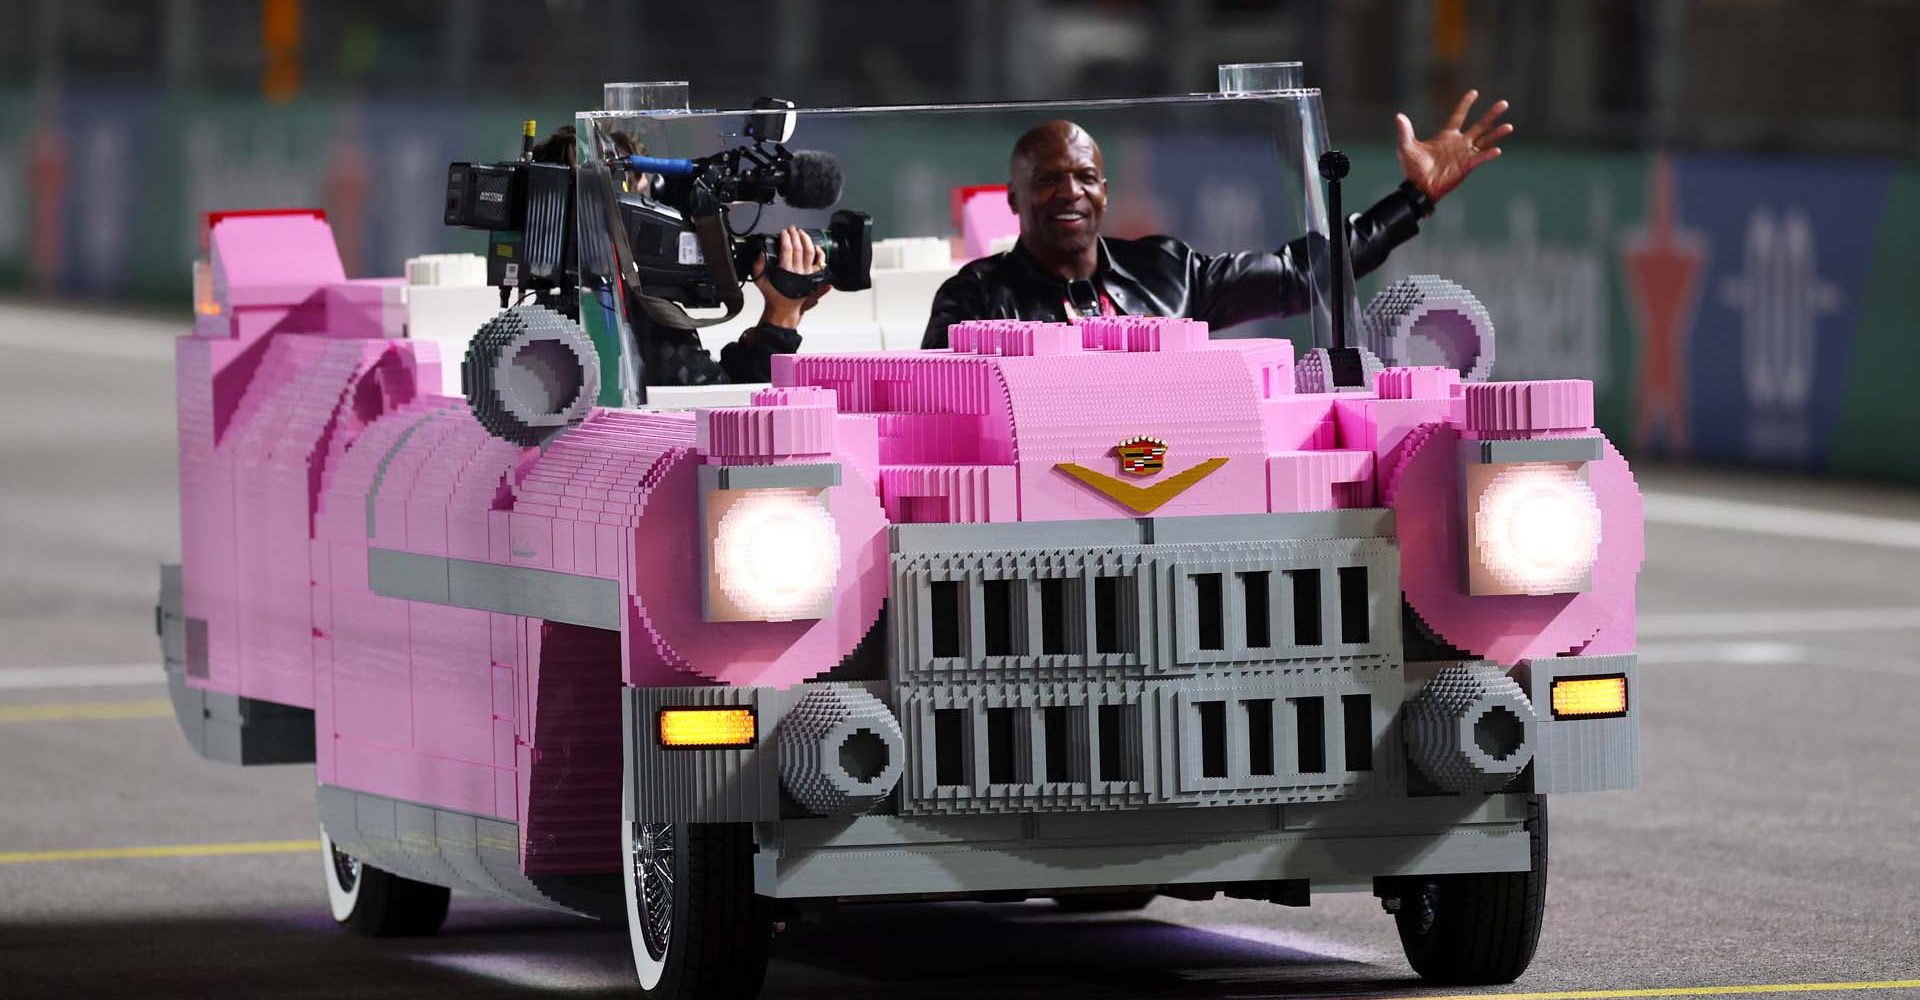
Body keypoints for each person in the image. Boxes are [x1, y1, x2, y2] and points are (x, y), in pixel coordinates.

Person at [922, 91, 1513, 348]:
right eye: (1047, 179)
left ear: (1104, 192)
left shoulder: (1167, 273)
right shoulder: (975, 298)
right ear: (1014, 198)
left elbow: (1299, 273)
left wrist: (1413, 198)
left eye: (1083, 177)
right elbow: (939, 423)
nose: (1068, 192)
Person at [529, 126, 829, 385]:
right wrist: (781, 320)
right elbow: (724, 413)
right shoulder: (630, 304)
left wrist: (777, 320)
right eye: (648, 199)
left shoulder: (553, 300)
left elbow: (702, 388)